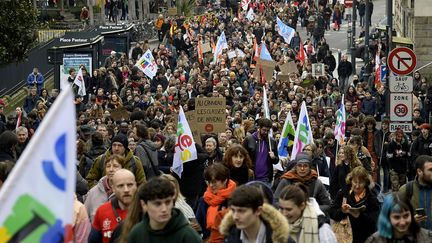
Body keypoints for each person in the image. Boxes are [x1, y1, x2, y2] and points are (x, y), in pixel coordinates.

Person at [127, 177, 202, 243]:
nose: (164, 209)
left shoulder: (188, 236)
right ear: (144, 204)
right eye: (157, 204)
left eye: (167, 202)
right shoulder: (137, 233)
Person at [219, 185, 291, 243]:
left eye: (242, 211)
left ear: (258, 211)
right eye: (233, 211)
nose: (235, 217)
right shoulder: (229, 237)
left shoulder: (281, 239)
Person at [329, 166, 381, 243]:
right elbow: (332, 212)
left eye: (361, 182)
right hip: (344, 237)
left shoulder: (372, 199)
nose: (357, 186)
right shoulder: (343, 193)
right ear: (351, 180)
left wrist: (359, 215)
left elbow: (374, 223)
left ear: (366, 182)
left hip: (364, 239)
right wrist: (342, 211)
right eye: (355, 182)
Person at [89, 169, 138, 243]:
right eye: (121, 186)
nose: (126, 190)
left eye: (130, 185)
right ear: (113, 188)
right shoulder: (102, 211)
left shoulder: (146, 211)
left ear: (136, 185)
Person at [365, 193, 432, 242]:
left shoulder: (428, 238)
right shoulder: (374, 240)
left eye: (406, 216)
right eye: (397, 217)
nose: (402, 222)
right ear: (387, 217)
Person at [196, 163, 237, 240]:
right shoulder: (204, 199)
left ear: (225, 180)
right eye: (209, 182)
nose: (211, 185)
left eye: (214, 182)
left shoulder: (235, 199)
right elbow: (198, 222)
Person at [84, 154, 125, 221]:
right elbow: (84, 219)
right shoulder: (93, 193)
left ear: (122, 169)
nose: (111, 169)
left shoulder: (128, 192)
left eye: (115, 166)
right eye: (108, 166)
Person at [398, 155, 432, 230]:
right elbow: (395, 219)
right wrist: (410, 221)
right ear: (419, 171)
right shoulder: (405, 190)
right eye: (430, 170)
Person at [243, 118, 279, 186]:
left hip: (266, 179)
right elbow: (243, 157)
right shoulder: (249, 139)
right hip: (251, 178)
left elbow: (276, 161)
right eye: (264, 130)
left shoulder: (272, 141)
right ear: (259, 128)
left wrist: (274, 157)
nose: (266, 132)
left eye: (268, 131)